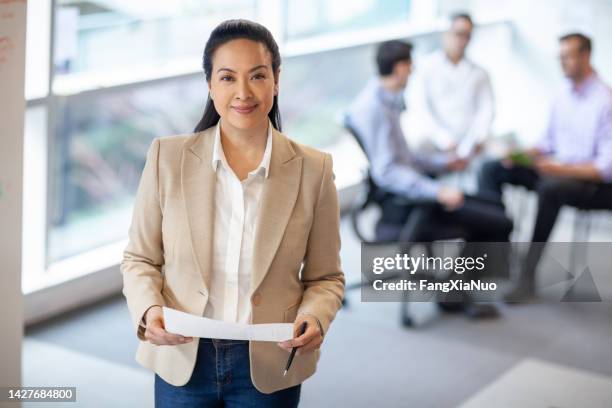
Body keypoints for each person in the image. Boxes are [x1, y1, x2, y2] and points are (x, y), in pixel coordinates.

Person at [121, 19, 345, 407]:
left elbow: (326, 276)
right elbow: (139, 259)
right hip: (184, 356)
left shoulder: (314, 169)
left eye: (258, 76)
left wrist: (316, 315)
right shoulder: (167, 158)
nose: (243, 92)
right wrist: (149, 309)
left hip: (270, 359)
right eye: (227, 78)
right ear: (210, 85)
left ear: (276, 80)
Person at [346, 40, 512, 318]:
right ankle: (453, 294)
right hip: (405, 206)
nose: (412, 72)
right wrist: (436, 191)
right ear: (399, 68)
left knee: (494, 205)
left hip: (411, 193)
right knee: (498, 221)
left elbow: (404, 158)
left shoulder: (385, 100)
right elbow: (387, 172)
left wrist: (444, 162)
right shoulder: (373, 108)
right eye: (410, 66)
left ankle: (458, 287)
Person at [478, 33, 612, 302]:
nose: (561, 62)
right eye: (559, 56)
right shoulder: (561, 93)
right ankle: (499, 254)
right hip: (555, 170)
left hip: (590, 183)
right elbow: (547, 142)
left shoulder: (605, 101)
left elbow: (605, 169)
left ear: (585, 56)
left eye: (567, 56)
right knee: (491, 169)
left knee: (550, 189)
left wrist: (558, 169)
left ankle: (527, 276)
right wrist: (522, 155)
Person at [409, 13, 494, 158]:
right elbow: (419, 107)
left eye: (468, 35)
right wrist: (443, 140)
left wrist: (476, 139)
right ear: (446, 34)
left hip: (470, 145)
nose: (463, 40)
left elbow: (486, 110)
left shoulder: (480, 73)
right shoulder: (426, 68)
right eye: (459, 34)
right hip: (434, 144)